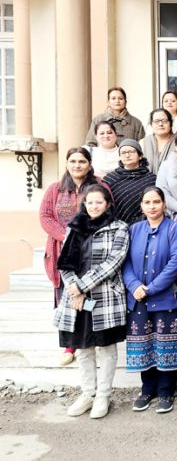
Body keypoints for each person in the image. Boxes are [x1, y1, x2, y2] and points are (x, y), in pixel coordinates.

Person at [54, 184, 130, 419]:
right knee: (83, 349)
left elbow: (112, 262)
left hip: (104, 297)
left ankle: (103, 395)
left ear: (107, 204)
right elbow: (64, 262)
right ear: (84, 204)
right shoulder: (74, 228)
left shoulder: (119, 228)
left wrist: (82, 286)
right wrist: (74, 289)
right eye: (90, 202)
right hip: (76, 300)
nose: (94, 206)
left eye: (99, 202)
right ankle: (88, 393)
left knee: (105, 348)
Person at [122, 187, 177, 414]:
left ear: (164, 204)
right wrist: (134, 286)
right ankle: (147, 390)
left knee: (166, 344)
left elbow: (175, 264)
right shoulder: (134, 230)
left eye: (156, 202)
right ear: (141, 205)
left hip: (167, 297)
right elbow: (125, 262)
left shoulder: (175, 229)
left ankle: (166, 391)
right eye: (147, 202)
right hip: (138, 298)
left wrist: (150, 288)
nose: (152, 206)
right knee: (144, 344)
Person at [40, 147, 102, 366]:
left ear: (89, 164)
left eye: (82, 161)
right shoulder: (55, 189)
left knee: (88, 293)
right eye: (73, 161)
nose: (77, 165)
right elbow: (46, 217)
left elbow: (107, 211)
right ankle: (69, 346)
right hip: (62, 249)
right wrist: (66, 235)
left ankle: (91, 341)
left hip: (91, 250)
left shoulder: (100, 186)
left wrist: (87, 234)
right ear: (67, 163)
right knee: (65, 296)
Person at [102, 140, 157, 225]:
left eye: (131, 151)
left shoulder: (151, 179)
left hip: (144, 226)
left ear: (140, 155)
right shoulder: (110, 179)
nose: (127, 155)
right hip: (116, 227)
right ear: (119, 157)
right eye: (123, 153)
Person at [140, 108, 175, 174]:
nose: (160, 124)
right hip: (147, 182)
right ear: (151, 124)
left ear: (170, 124)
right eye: (156, 121)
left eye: (164, 120)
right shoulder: (143, 143)